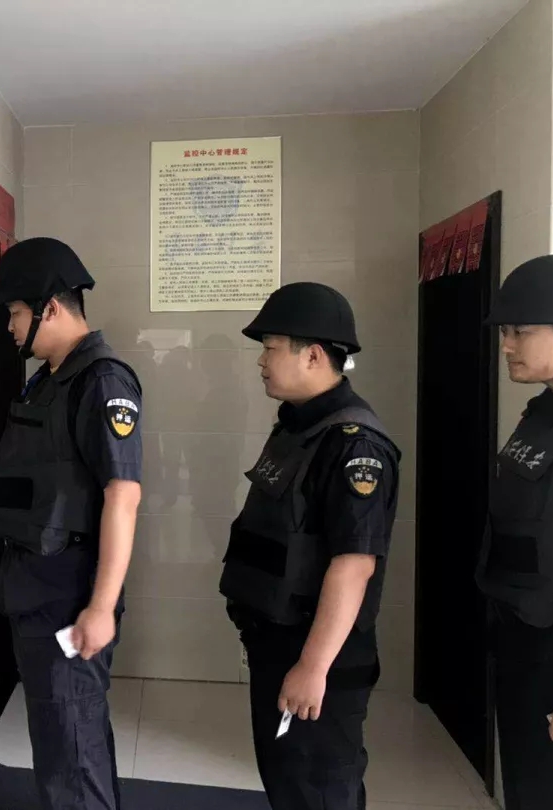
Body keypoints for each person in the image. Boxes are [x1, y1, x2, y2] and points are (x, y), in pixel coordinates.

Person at [0, 237, 143, 810]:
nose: (11, 328)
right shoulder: (49, 379)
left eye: (16, 313)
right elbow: (37, 482)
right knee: (63, 739)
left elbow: (123, 496)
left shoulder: (102, 382)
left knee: (72, 744)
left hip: (68, 592)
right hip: (34, 587)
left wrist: (100, 607)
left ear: (51, 309)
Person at [218, 282, 401, 810]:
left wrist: (313, 667)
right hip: (277, 640)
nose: (261, 361)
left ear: (314, 355)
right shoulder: (299, 427)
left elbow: (354, 564)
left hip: (318, 656)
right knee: (288, 781)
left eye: (271, 347)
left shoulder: (355, 445)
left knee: (317, 788)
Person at [477, 254, 553, 810]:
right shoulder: (543, 412)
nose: (507, 345)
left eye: (521, 331)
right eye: (504, 332)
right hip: (525, 641)